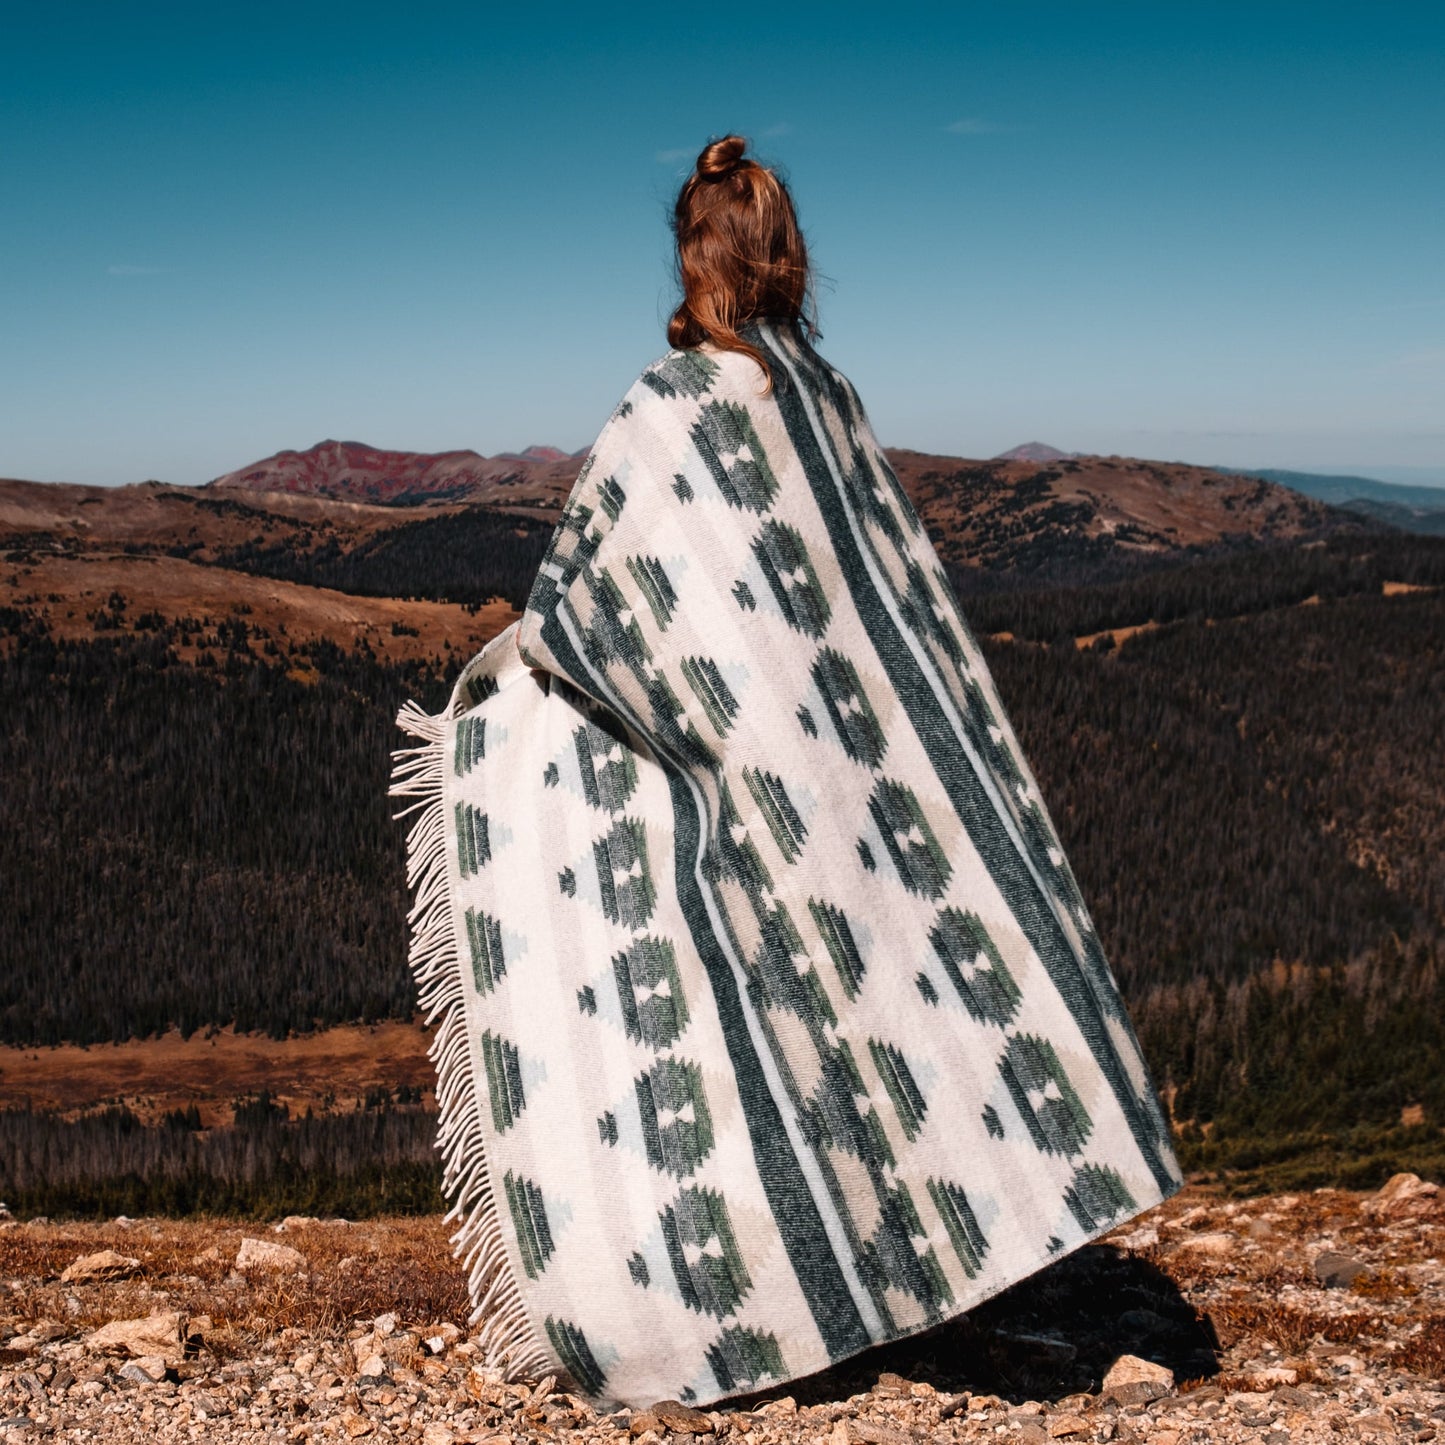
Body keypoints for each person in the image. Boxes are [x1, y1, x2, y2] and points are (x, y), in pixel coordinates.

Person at [393, 134, 1181, 1411]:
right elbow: (894, 625)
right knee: (864, 1001)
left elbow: (589, 614)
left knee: (746, 1023)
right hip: (847, 788)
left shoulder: (667, 411)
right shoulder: (831, 402)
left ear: (690, 262)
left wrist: (509, 686)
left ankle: (712, 1310)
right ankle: (894, 1272)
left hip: (739, 775)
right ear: (781, 259)